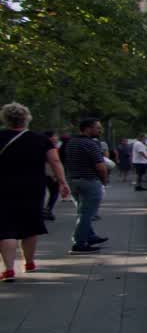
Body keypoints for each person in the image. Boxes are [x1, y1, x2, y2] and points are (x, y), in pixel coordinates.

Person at [1, 103, 70, 279]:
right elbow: (55, 161)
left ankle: (8, 269)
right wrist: (62, 182)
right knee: (30, 225)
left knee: (5, 228)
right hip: (32, 187)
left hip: (3, 187)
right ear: (27, 118)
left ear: (5, 119)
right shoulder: (41, 139)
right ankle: (29, 262)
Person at [63, 118, 110, 253]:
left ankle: (90, 236)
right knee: (87, 214)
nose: (100, 130)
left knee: (82, 211)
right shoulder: (91, 144)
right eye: (98, 128)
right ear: (88, 128)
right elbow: (101, 166)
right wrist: (104, 180)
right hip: (89, 181)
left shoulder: (71, 142)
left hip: (73, 180)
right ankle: (80, 243)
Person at [42, 131, 60, 220]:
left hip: (43, 173)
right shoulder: (50, 147)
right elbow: (53, 161)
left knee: (45, 193)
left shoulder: (40, 145)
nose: (57, 138)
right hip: (49, 173)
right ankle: (47, 210)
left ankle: (45, 210)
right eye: (55, 136)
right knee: (54, 192)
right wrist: (55, 175)